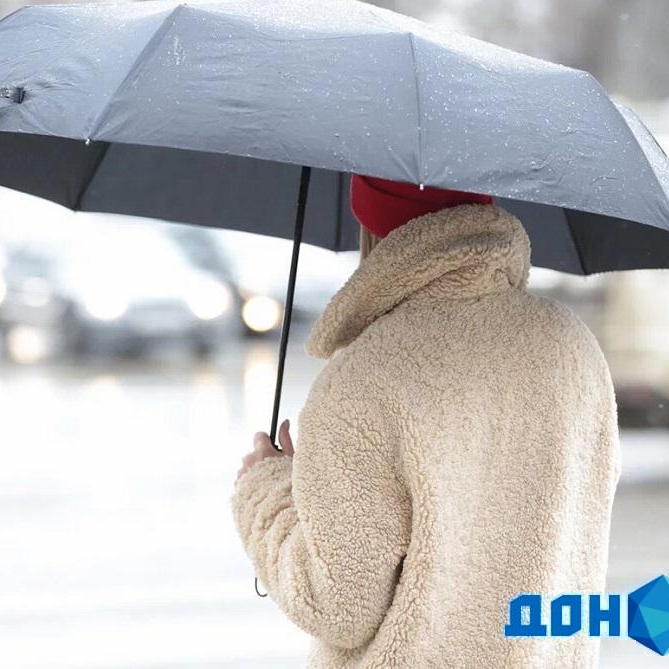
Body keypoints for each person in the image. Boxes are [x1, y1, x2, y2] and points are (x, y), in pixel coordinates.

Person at [232, 175, 620, 668]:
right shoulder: (573, 348)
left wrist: (267, 493)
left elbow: (338, 605)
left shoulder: (367, 376)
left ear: (371, 227)